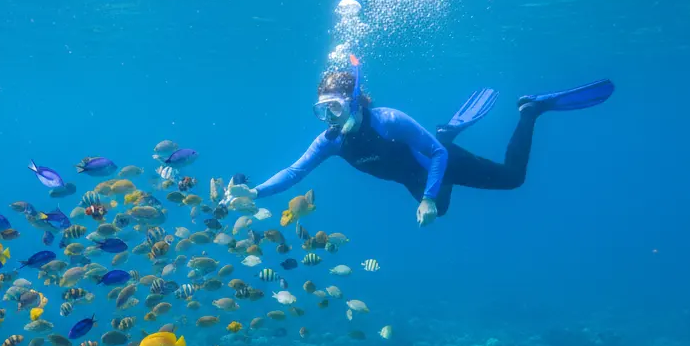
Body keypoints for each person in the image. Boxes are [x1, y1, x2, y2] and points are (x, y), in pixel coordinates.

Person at [245, 58, 614, 225]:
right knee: (445, 210)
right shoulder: (332, 142)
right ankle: (446, 130)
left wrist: (427, 199)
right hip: (412, 177)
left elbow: (436, 156)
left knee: (513, 178)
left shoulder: (389, 121)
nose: (330, 119)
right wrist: (256, 194)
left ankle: (530, 110)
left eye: (336, 108)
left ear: (355, 100)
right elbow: (295, 172)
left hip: (439, 161)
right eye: (322, 111)